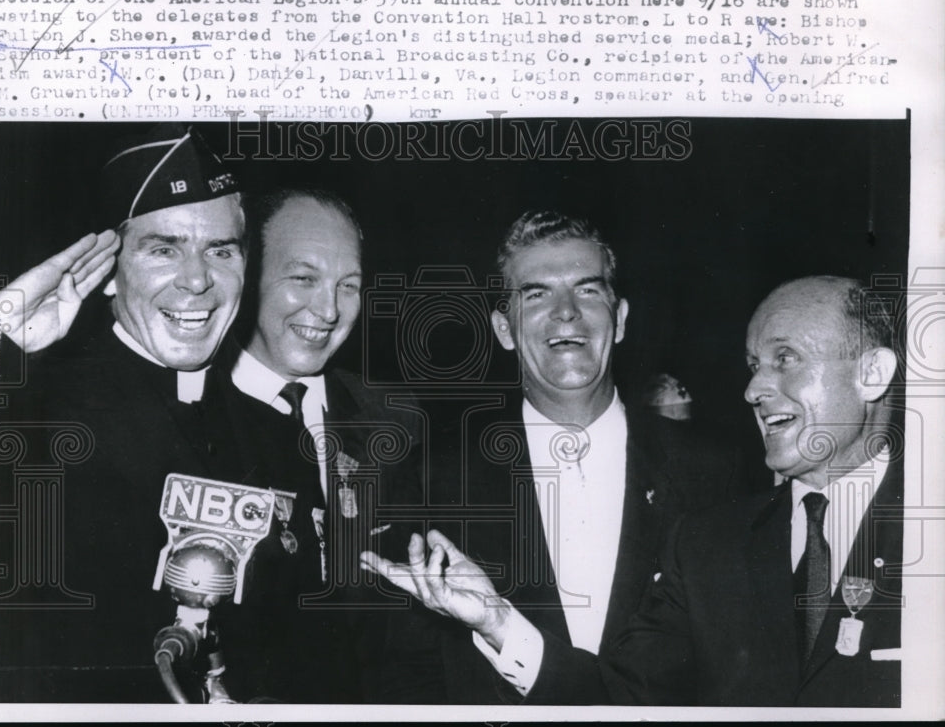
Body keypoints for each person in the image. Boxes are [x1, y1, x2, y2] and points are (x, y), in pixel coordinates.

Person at [364, 275, 903, 707]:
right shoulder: (707, 546)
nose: (754, 389)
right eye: (753, 366)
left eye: (785, 359)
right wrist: (498, 621)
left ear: (872, 373)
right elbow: (617, 697)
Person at [0, 125, 322, 703]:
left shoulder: (276, 435)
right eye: (164, 249)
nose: (197, 280)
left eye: (220, 250)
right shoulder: (27, 417)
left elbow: (303, 647)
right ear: (110, 272)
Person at [364, 210, 742, 703]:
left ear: (620, 318)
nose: (566, 312)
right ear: (503, 328)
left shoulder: (712, 474)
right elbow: (407, 675)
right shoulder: (433, 480)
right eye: (536, 293)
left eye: (588, 290)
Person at [223, 187, 424, 701]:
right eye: (303, 278)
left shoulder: (396, 423)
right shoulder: (187, 411)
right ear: (248, 277)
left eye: (348, 285)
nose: (330, 310)